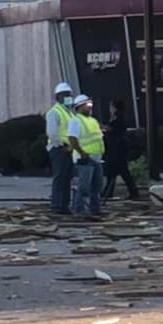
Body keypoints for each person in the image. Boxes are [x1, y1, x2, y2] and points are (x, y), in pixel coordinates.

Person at [68, 94, 105, 220]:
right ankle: (79, 210)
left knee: (96, 187)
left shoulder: (93, 121)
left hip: (96, 158)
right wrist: (81, 152)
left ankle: (95, 210)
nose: (90, 107)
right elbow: (72, 138)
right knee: (84, 187)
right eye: (87, 105)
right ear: (79, 107)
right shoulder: (75, 121)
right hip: (84, 159)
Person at [45, 82, 77, 214]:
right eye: (65, 95)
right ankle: (57, 205)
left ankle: (64, 205)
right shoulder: (54, 112)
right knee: (60, 177)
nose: (68, 97)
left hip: (68, 149)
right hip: (59, 149)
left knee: (66, 178)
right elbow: (52, 133)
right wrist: (61, 145)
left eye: (69, 95)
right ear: (58, 97)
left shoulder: (68, 112)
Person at [101, 100, 139, 201]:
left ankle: (132, 192)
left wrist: (104, 128)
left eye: (111, 107)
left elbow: (114, 129)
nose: (110, 109)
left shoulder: (117, 116)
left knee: (121, 171)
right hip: (117, 148)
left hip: (117, 148)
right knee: (116, 171)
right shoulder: (119, 116)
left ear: (114, 107)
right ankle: (109, 192)